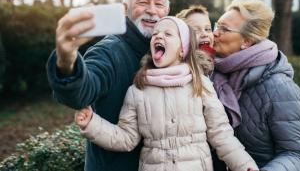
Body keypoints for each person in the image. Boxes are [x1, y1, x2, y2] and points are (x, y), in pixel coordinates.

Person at [75, 16, 259, 171]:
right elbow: (127, 138)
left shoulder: (200, 83)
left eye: (168, 34)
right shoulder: (138, 89)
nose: (158, 36)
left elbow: (221, 134)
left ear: (182, 49)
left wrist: (245, 166)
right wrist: (92, 123)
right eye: (155, 34)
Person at [46, 0, 170, 171]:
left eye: (159, 4)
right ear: (125, 9)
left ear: (167, 11)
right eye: (143, 2)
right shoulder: (109, 51)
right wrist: (66, 60)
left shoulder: (171, 53)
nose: (152, 10)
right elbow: (82, 93)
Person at [211, 0, 300, 171]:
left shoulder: (279, 87)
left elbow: (296, 154)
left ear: (247, 41)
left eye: (224, 29)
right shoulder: (219, 73)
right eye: (217, 25)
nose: (215, 33)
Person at [176, 4, 226, 171]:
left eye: (207, 28)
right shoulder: (179, 74)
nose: (204, 33)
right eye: (196, 30)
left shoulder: (221, 67)